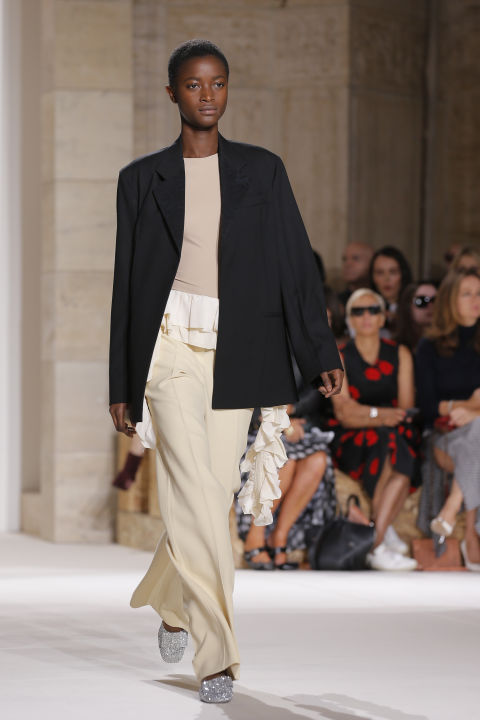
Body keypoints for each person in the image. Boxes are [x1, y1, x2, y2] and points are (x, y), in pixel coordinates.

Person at [108, 39, 343, 703]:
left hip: (240, 346)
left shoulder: (262, 171)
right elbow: (127, 285)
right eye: (193, 84)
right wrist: (121, 383)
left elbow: (295, 263)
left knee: (209, 499)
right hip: (168, 351)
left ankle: (170, 597)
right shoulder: (141, 180)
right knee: (196, 491)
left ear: (227, 89)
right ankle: (217, 657)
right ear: (172, 93)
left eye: (217, 83)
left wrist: (320, 350)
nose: (207, 95)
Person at [329, 288, 419, 571]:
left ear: (383, 318)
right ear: (350, 320)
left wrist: (367, 414)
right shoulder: (339, 355)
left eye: (373, 310)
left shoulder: (400, 353)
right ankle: (381, 538)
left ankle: (375, 540)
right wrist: (380, 415)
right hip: (352, 437)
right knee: (392, 445)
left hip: (394, 431)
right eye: (358, 311)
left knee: (394, 444)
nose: (366, 316)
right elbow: (343, 413)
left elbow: (405, 410)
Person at [238, 352, 337, 571]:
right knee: (284, 459)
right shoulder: (253, 343)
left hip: (292, 424)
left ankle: (279, 536)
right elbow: (242, 394)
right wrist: (281, 420)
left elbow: (317, 392)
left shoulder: (304, 348)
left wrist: (290, 414)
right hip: (254, 429)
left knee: (318, 459)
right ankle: (255, 535)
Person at [415, 268, 480, 570]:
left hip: (474, 433)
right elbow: (428, 406)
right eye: (467, 294)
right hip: (442, 435)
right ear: (450, 300)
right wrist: (468, 405)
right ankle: (470, 535)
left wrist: (474, 413)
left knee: (477, 432)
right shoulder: (430, 347)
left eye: (479, 293)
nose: (475, 300)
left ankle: (451, 513)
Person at [369, 246, 413, 337]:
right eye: (380, 273)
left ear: (403, 274)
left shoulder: (414, 307)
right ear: (372, 277)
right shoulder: (365, 306)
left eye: (393, 272)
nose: (387, 279)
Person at [395, 281, 438, 353]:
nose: (430, 306)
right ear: (408, 305)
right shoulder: (394, 346)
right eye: (421, 301)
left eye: (435, 300)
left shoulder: (449, 345)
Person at [338, 242, 374, 307]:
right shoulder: (337, 302)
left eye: (355, 258)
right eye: (344, 259)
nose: (347, 264)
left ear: (372, 262)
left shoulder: (384, 299)